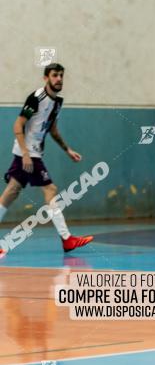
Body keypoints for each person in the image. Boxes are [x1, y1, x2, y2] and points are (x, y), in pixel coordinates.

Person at [0, 63, 93, 255]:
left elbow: (52, 129)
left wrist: (67, 149)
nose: (58, 79)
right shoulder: (36, 98)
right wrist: (25, 153)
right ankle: (67, 239)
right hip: (28, 154)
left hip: (32, 153)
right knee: (50, 189)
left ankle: (67, 240)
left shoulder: (57, 103)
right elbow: (18, 126)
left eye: (61, 75)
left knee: (11, 193)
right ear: (46, 78)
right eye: (54, 75)